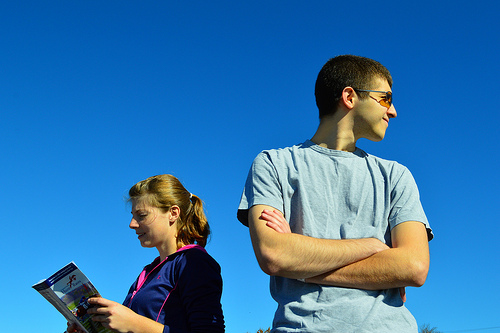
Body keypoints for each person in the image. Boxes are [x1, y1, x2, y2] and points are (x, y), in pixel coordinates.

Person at [237, 55, 433, 332]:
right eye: (386, 99)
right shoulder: (273, 164)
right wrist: (373, 246)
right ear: (349, 97)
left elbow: (413, 266)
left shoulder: (396, 175)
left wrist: (300, 261)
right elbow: (274, 255)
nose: (393, 112)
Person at [67, 174, 225, 333]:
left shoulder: (194, 262)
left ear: (173, 213)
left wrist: (134, 324)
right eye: (132, 216)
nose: (132, 224)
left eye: (141, 215)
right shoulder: (147, 272)